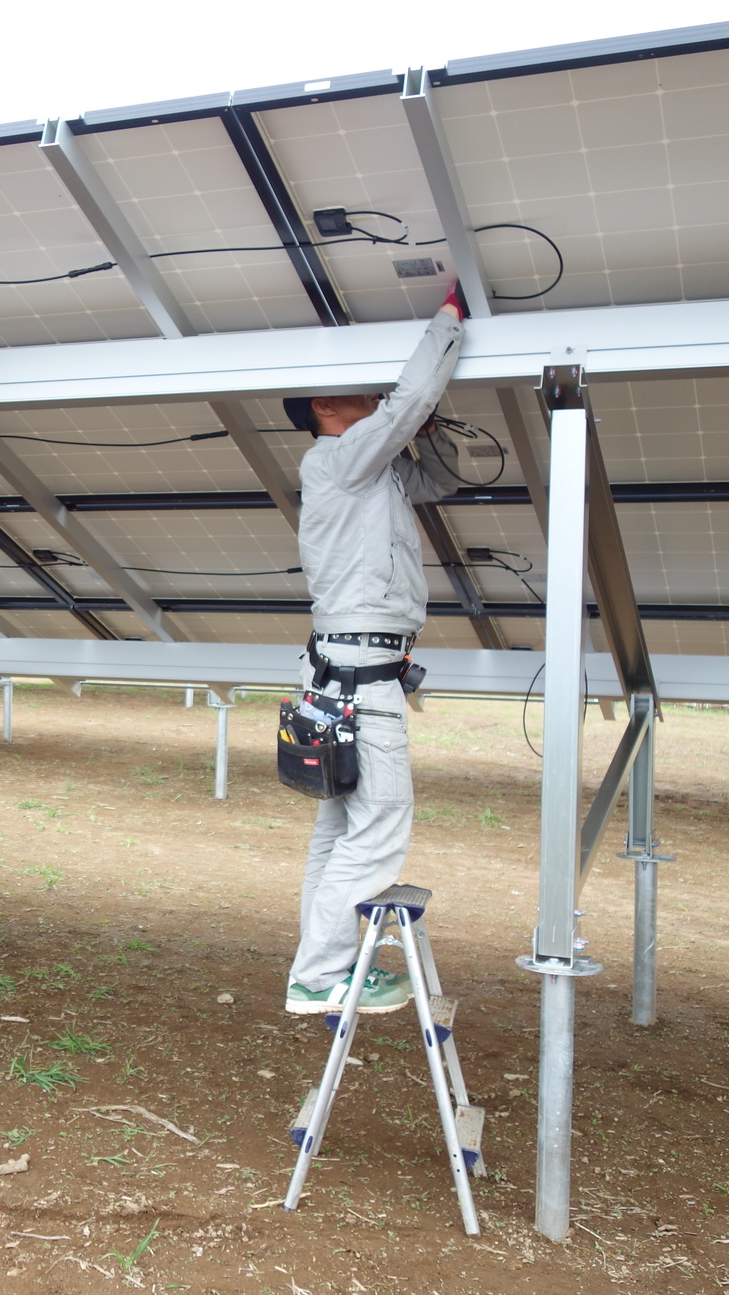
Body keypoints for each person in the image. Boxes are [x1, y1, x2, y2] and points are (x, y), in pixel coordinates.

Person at [280, 283, 468, 1016]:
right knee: (382, 820)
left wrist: (426, 423)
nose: (371, 392)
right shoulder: (338, 458)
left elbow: (444, 474)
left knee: (339, 826)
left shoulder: (369, 467)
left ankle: (316, 966)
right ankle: (321, 973)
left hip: (342, 671)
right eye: (355, 388)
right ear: (327, 408)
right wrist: (447, 320)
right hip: (360, 673)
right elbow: (407, 402)